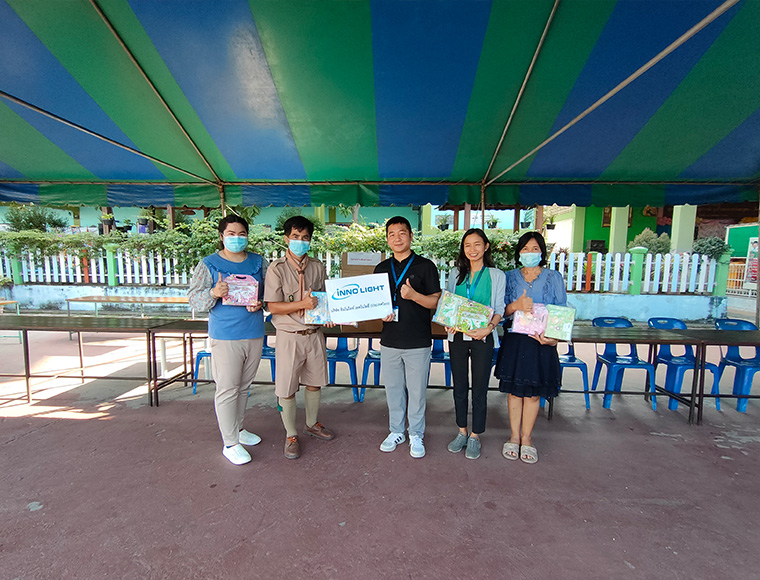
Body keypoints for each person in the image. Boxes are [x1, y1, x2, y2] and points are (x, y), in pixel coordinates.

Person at [188, 214, 266, 466]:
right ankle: (230, 443)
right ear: (221, 236)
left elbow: (268, 295)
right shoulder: (208, 264)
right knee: (227, 388)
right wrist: (213, 292)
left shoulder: (258, 262)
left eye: (241, 234)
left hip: (254, 332)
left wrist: (260, 303)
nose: (236, 238)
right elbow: (195, 300)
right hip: (225, 335)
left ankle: (239, 429)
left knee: (244, 386)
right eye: (231, 234)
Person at [264, 216, 335, 460]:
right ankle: (291, 434)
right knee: (287, 387)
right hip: (289, 336)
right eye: (295, 237)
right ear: (286, 238)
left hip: (314, 334)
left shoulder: (317, 266)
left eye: (305, 238)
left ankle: (312, 423)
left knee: (315, 382)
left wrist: (327, 315)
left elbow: (323, 299)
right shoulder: (276, 268)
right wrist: (301, 304)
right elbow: (273, 306)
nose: (300, 241)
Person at [494, 231, 566, 464]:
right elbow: (501, 311)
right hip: (515, 341)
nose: (530, 253)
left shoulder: (554, 277)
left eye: (535, 249)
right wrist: (516, 305)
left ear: (542, 252)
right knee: (515, 393)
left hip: (541, 343)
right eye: (525, 249)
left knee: (533, 394)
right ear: (519, 252)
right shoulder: (509, 277)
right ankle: (514, 436)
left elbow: (562, 312)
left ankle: (527, 439)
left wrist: (554, 338)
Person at [374, 216, 441, 458]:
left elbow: (436, 301)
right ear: (387, 239)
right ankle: (396, 431)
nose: (397, 238)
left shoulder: (425, 266)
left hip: (417, 341)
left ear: (411, 236)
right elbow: (375, 303)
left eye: (402, 233)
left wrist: (414, 296)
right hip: (390, 340)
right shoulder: (381, 268)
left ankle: (416, 434)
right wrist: (380, 313)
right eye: (392, 234)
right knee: (393, 390)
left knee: (417, 391)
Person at [444, 229, 505, 460]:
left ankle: (475, 435)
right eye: (467, 245)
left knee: (480, 388)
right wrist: (448, 322)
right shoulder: (455, 273)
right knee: (459, 386)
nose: (472, 249)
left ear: (486, 246)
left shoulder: (496, 275)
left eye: (477, 244)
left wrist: (489, 329)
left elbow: (499, 308)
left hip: (483, 337)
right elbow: (449, 304)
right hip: (458, 338)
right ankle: (461, 431)